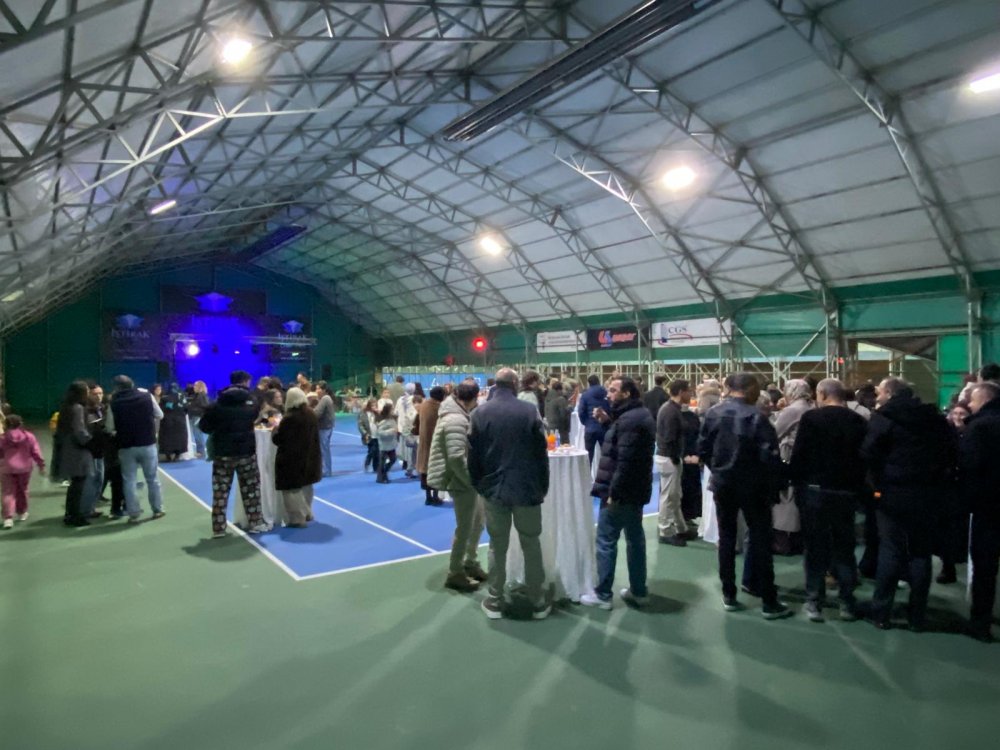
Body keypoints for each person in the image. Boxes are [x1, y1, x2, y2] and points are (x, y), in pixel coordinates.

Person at [860, 377, 956, 630]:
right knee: (921, 552)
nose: (877, 396)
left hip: (892, 492)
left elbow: (869, 452)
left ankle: (881, 612)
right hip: (927, 493)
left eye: (880, 392)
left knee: (890, 549)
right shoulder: (934, 419)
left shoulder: (884, 418)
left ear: (890, 393)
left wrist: (876, 483)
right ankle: (917, 616)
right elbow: (950, 451)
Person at [698, 373, 791, 619]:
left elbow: (703, 449)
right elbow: (769, 456)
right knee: (760, 540)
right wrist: (775, 484)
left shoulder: (713, 414)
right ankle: (768, 601)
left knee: (727, 539)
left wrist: (719, 470)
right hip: (754, 487)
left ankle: (729, 594)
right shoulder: (757, 417)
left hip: (723, 484)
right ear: (750, 389)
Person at [469, 368, 551, 621]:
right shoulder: (529, 411)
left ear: (496, 384)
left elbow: (473, 457)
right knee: (531, 544)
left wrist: (480, 485)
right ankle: (537, 600)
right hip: (527, 489)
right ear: (515, 384)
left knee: (497, 546)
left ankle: (495, 600)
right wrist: (542, 486)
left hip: (494, 490)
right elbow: (541, 453)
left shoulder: (479, 413)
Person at [788, 378, 868, 622]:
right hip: (845, 493)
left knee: (815, 548)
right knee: (844, 548)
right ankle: (847, 602)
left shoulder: (811, 419)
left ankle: (814, 601)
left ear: (821, 394)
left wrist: (795, 483)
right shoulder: (858, 420)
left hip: (814, 491)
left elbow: (799, 455)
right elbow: (863, 459)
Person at [580, 377, 656, 609]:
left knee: (606, 540)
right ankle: (638, 591)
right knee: (635, 540)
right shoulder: (634, 416)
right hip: (635, 491)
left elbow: (625, 460)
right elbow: (622, 444)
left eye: (613, 390)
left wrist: (614, 492)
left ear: (627, 393)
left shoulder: (630, 420)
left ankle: (603, 594)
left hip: (621, 492)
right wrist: (608, 422)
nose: (608, 395)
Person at [427, 380, 487, 591]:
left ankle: (470, 562)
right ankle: (455, 572)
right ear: (474, 398)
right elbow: (455, 457)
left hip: (467, 480)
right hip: (461, 481)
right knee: (465, 528)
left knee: (478, 522)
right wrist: (470, 480)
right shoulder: (455, 419)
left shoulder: (460, 414)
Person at [199, 370, 267, 538]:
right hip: (246, 452)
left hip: (223, 453)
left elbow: (204, 426)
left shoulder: (217, 404)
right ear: (245, 382)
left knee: (220, 492)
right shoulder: (252, 402)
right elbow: (255, 418)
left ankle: (218, 528)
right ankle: (256, 523)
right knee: (251, 489)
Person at [960, 381, 1000, 641]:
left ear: (984, 399)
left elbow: (969, 464)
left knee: (985, 565)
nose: (970, 405)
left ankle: (980, 622)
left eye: (972, 401)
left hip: (987, 504)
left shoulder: (980, 426)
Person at [107, 376, 164, 524]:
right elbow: (160, 414)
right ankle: (157, 509)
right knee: (152, 479)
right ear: (132, 384)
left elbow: (109, 427)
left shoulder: (114, 402)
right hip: (147, 443)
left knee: (129, 481)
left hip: (126, 446)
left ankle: (133, 513)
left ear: (117, 387)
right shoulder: (147, 396)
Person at [772, 380, 814, 554]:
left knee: (785, 501)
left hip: (788, 456)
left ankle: (783, 543)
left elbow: (775, 433)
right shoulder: (811, 408)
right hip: (805, 459)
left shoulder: (792, 410)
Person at [271, 387, 321, 528]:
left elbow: (279, 439)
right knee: (307, 486)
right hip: (310, 457)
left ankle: (297, 518)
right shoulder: (311, 413)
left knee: (291, 489)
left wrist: (275, 431)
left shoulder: (289, 418)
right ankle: (308, 512)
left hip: (292, 459)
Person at [656, 379, 694, 546]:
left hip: (669, 457)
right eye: (688, 391)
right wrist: (675, 458)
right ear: (680, 392)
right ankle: (665, 530)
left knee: (675, 495)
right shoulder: (671, 411)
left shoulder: (670, 408)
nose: (690, 394)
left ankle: (680, 527)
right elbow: (669, 438)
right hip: (669, 458)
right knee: (668, 496)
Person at [53, 380, 93, 527]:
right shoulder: (78, 408)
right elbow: (80, 430)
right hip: (77, 450)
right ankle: (75, 516)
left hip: (68, 448)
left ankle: (70, 514)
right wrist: (91, 441)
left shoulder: (66, 407)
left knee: (75, 484)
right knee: (79, 484)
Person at [0, 415, 45, 528]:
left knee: (7, 493)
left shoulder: (3, 438)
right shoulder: (29, 436)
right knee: (23, 490)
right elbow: (35, 451)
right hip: (24, 468)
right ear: (20, 423)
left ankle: (8, 518)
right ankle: (22, 512)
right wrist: (41, 465)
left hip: (6, 468)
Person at [80, 382, 107, 520]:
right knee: (90, 481)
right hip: (89, 451)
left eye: (101, 393)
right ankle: (85, 510)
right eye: (95, 394)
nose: (98, 396)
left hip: (100, 451)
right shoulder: (84, 410)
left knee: (99, 480)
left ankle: (91, 507)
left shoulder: (102, 408)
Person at [416, 386, 446, 505]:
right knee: (435, 469)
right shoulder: (439, 407)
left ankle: (428, 497)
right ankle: (435, 496)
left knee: (425, 470)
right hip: (435, 442)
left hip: (423, 441)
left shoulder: (423, 405)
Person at [577, 374, 610, 465]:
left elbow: (581, 412)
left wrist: (586, 423)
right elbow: (610, 408)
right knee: (606, 455)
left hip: (590, 428)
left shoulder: (585, 395)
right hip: (604, 428)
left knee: (588, 457)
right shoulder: (606, 393)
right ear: (599, 381)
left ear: (589, 383)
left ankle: (588, 473)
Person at [395, 383, 419, 478]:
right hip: (412, 427)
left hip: (402, 426)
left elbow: (396, 412)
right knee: (413, 450)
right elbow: (415, 413)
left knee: (407, 448)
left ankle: (409, 467)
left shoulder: (400, 399)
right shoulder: (414, 399)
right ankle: (411, 468)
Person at [314, 381, 335, 477]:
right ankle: (326, 469)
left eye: (318, 388)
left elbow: (317, 413)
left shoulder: (325, 399)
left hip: (324, 427)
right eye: (316, 388)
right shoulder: (325, 398)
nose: (316, 390)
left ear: (324, 390)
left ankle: (326, 470)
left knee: (324, 449)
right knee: (324, 449)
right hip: (326, 427)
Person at [375, 403, 398, 484]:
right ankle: (381, 478)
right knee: (382, 462)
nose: (393, 411)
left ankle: (384, 473)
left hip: (392, 443)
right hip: (384, 444)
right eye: (392, 409)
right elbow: (380, 432)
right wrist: (391, 431)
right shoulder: (382, 420)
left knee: (393, 459)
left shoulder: (393, 418)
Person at [543, 381, 570, 446]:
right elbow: (564, 415)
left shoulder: (547, 398)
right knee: (563, 447)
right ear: (559, 390)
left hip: (549, 427)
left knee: (552, 446)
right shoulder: (560, 399)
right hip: (560, 429)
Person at [187, 380, 210, 458]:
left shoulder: (201, 396)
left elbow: (205, 406)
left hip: (198, 417)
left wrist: (192, 409)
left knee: (197, 434)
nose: (194, 387)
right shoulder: (197, 395)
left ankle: (201, 452)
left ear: (200, 387)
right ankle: (200, 451)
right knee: (197, 434)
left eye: (195, 385)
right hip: (195, 416)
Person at [357, 398, 379, 472]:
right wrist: (365, 433)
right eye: (372, 405)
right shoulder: (363, 413)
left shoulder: (378, 413)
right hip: (369, 435)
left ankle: (375, 467)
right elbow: (360, 425)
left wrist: (379, 413)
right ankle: (368, 460)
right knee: (372, 450)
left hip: (377, 435)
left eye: (375, 405)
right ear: (369, 406)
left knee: (377, 452)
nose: (374, 407)